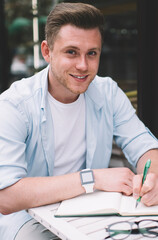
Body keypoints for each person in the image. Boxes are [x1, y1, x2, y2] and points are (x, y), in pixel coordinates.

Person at [0, 2, 158, 240]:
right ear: (47, 51)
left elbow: (144, 145)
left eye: (91, 53)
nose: (83, 66)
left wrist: (153, 178)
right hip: (29, 217)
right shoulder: (14, 104)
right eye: (71, 52)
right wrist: (91, 178)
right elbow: (6, 197)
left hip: (94, 211)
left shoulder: (108, 92)